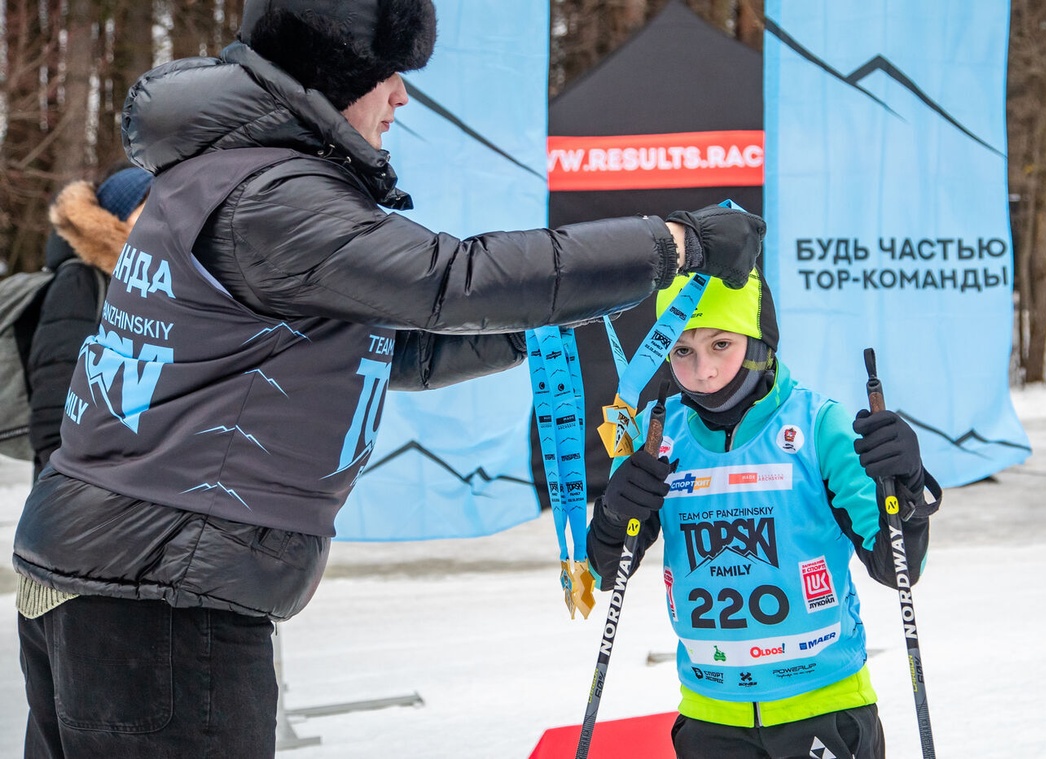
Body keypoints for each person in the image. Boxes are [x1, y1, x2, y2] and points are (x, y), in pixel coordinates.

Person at [10, 1, 766, 757]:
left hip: (119, 579)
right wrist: (677, 242)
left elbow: (394, 347)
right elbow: (455, 280)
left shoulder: (224, 176)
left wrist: (551, 313)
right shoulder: (271, 193)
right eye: (386, 74)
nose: (402, 95)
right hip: (156, 596)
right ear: (334, 75)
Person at [587, 269, 942, 759]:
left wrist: (905, 485)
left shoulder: (818, 424)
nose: (703, 371)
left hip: (823, 706)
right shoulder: (659, 436)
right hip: (711, 716)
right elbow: (604, 573)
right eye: (683, 350)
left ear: (758, 342)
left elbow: (899, 566)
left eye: (720, 345)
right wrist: (612, 512)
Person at [25, 166, 152, 480]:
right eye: (147, 209)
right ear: (115, 217)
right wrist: (65, 473)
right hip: (79, 479)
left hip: (127, 472)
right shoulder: (80, 280)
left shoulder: (145, 282)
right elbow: (54, 386)